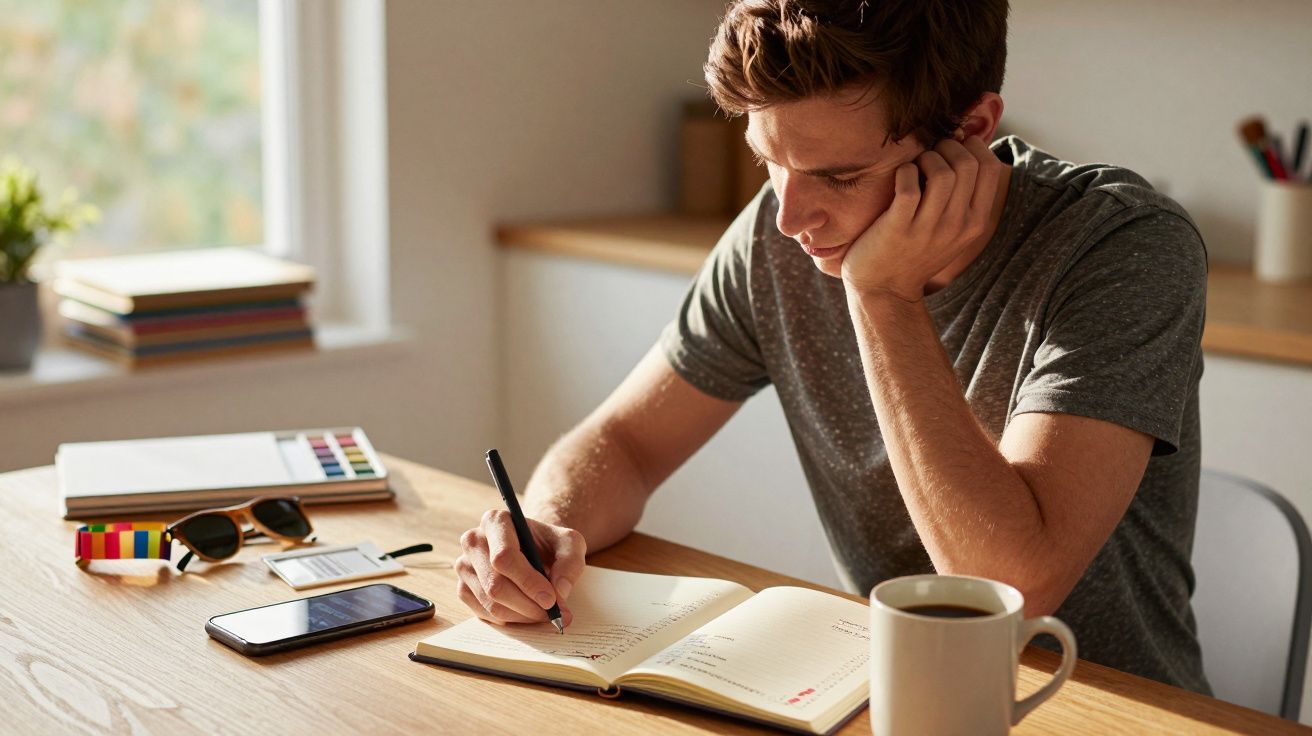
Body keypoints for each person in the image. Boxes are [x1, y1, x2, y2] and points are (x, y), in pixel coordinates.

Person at [456, 0, 1211, 694]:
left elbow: (1005, 585)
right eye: (768, 162)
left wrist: (881, 294)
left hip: (1102, 705)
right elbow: (624, 442)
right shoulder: (778, 229)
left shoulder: (1123, 248)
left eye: (840, 176)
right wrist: (546, 532)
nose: (788, 218)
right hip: (877, 694)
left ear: (973, 129)